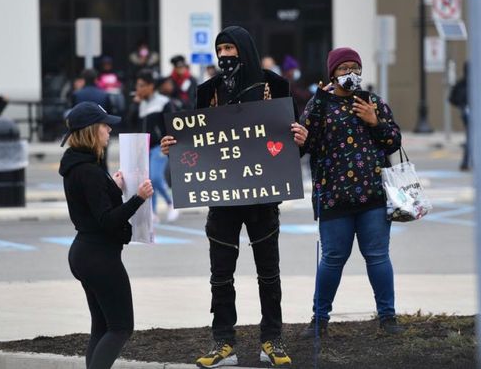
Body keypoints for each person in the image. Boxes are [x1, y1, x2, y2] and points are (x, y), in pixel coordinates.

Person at [161, 25, 308, 368]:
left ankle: (272, 339)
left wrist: (301, 139)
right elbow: (197, 142)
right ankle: (223, 342)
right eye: (220, 49)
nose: (225, 56)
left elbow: (290, 147)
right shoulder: (208, 90)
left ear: (245, 49)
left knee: (269, 273)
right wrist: (174, 147)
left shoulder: (276, 86)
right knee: (220, 275)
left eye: (231, 48)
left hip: (263, 199)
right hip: (223, 199)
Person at [299, 47, 403, 339]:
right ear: (332, 73)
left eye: (354, 68)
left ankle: (388, 318)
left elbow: (393, 141)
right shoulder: (318, 103)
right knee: (332, 258)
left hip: (373, 196)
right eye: (343, 69)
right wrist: (313, 114)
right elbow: (303, 146)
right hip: (334, 198)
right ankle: (319, 320)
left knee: (378, 256)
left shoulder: (373, 102)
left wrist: (375, 122)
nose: (350, 74)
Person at [58, 101, 154, 369]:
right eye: (104, 124)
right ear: (91, 130)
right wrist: (138, 198)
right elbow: (107, 221)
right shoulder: (88, 171)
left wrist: (113, 186)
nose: (109, 129)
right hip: (99, 257)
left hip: (85, 254)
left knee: (102, 327)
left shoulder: (80, 165)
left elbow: (94, 205)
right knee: (122, 327)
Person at [130, 69, 179, 223]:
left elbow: (171, 124)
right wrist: (134, 104)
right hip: (143, 147)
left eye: (141, 85)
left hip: (160, 145)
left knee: (156, 177)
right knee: (148, 179)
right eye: (137, 86)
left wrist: (169, 143)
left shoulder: (163, 102)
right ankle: (153, 211)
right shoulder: (140, 103)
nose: (138, 89)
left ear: (151, 86)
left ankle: (171, 202)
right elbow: (129, 122)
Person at [72, 69, 114, 172]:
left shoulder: (77, 94)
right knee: (102, 161)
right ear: (96, 79)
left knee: (84, 161)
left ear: (83, 79)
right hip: (100, 132)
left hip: (83, 133)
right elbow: (108, 114)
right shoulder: (104, 94)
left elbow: (74, 115)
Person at [449, 61, 470, 171]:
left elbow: (452, 98)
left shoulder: (462, 83)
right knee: (471, 137)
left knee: (471, 137)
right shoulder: (466, 84)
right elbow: (452, 98)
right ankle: (466, 162)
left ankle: (467, 162)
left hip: (466, 112)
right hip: (468, 112)